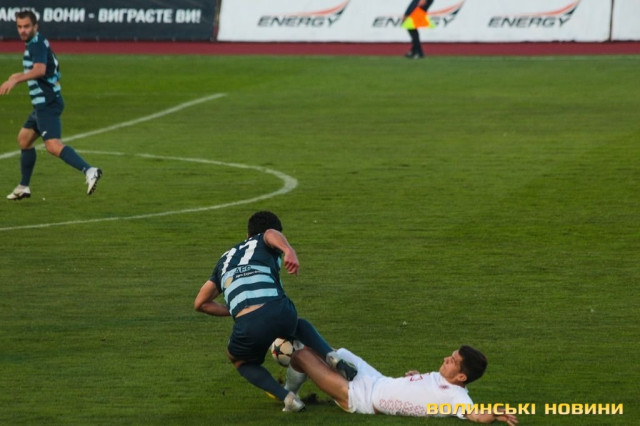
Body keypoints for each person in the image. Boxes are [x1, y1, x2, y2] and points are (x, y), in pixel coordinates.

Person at [194, 211, 357, 412]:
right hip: (279, 310)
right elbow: (270, 233)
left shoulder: (224, 260)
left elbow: (200, 303)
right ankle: (333, 357)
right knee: (298, 325)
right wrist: (288, 250)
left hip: (248, 325)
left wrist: (235, 309)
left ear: (247, 234)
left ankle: (287, 398)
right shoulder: (265, 240)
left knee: (239, 360)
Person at [0, 10, 102, 201]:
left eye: (26, 26)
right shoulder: (35, 42)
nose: (22, 30)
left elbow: (40, 70)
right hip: (41, 104)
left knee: (53, 145)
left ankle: (90, 170)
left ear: (35, 26)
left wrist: (16, 80)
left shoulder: (36, 44)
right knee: (24, 140)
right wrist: (16, 76)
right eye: (19, 27)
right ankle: (23, 186)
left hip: (47, 103)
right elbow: (41, 70)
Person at [285, 344, 518, 425]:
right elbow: (425, 389)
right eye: (451, 355)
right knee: (336, 353)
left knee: (302, 355)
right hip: (375, 379)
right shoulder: (443, 378)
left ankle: (286, 394)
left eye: (453, 361)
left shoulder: (456, 397)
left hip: (361, 398)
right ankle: (290, 388)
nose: (446, 359)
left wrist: (495, 413)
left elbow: (475, 415)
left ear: (461, 378)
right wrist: (415, 379)